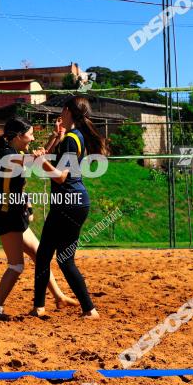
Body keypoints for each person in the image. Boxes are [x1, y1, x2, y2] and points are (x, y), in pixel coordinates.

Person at [0, 117, 78, 317]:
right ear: (19, 136)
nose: (33, 137)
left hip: (14, 213)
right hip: (5, 216)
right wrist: (50, 145)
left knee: (39, 254)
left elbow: (37, 158)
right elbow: (34, 160)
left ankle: (59, 298)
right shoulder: (6, 155)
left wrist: (54, 137)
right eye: (31, 134)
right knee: (16, 266)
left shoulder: (16, 151)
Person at [32, 96, 109, 319]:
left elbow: (60, 176)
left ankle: (86, 308)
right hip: (75, 202)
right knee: (53, 256)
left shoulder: (70, 140)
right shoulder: (76, 137)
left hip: (67, 202)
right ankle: (45, 307)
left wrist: (40, 162)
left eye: (62, 111)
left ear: (67, 111)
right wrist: (56, 137)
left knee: (53, 257)